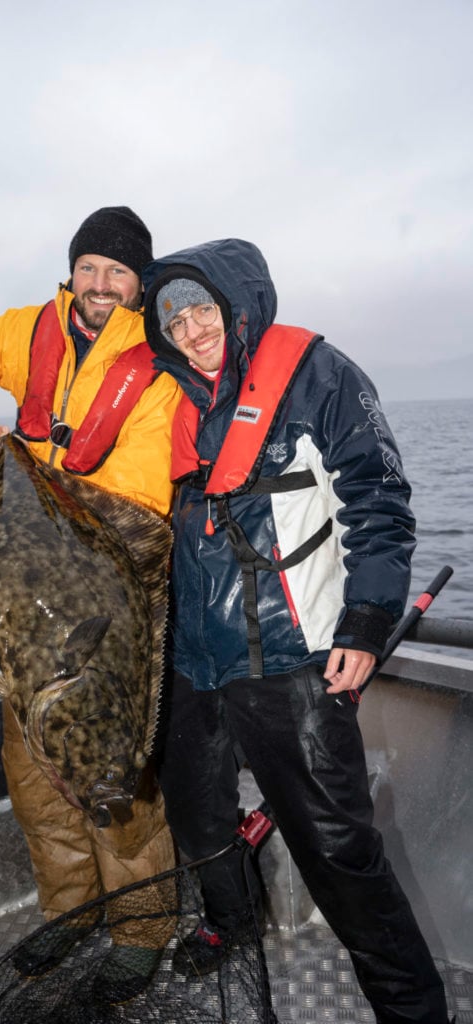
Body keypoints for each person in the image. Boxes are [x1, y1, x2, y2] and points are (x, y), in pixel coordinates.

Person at [141, 238, 452, 1023]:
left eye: (201, 308)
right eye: (172, 319)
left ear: (235, 304)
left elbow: (379, 503)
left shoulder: (320, 374)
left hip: (290, 656)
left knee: (338, 851)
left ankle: (412, 1009)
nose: (191, 330)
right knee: (200, 822)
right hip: (189, 661)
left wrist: (368, 619)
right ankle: (231, 938)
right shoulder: (165, 401)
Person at [0, 207, 181, 1003]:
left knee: (112, 771)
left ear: (140, 282)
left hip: (107, 585)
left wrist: (45, 478)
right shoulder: (27, 329)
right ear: (74, 271)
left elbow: (141, 485)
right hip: (31, 593)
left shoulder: (157, 357)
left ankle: (140, 926)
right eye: (89, 267)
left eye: (118, 272)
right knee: (33, 772)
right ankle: (68, 913)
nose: (100, 285)